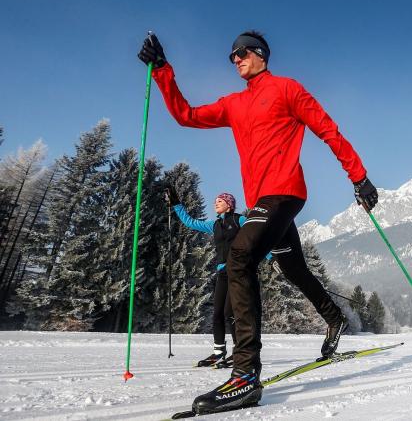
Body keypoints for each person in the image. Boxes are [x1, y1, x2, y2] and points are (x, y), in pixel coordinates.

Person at [138, 30, 379, 414]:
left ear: (261, 54)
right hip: (262, 203)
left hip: (284, 193)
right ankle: (335, 321)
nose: (236, 59)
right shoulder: (233, 104)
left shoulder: (287, 89)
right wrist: (162, 69)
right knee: (294, 269)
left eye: (242, 52)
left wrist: (359, 176)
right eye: (231, 55)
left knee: (239, 257)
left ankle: (245, 375)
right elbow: (185, 115)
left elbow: (327, 130)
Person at [165, 186, 243, 368]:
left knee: (229, 313)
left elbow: (257, 234)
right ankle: (218, 352)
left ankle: (239, 352)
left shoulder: (240, 220)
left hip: (238, 270)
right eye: (215, 201)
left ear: (229, 205)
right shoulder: (214, 225)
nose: (216, 204)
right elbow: (190, 222)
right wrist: (176, 204)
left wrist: (272, 258)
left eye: (220, 201)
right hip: (222, 271)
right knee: (217, 314)